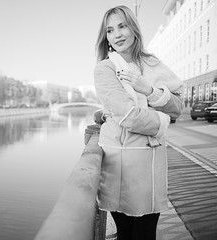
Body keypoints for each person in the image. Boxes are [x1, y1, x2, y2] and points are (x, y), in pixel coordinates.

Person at [94, 5, 184, 240]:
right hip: (122, 165)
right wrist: (164, 120)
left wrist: (149, 90)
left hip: (152, 166)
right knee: (127, 234)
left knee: (146, 234)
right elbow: (129, 116)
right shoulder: (105, 68)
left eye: (122, 26)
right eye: (110, 30)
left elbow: (179, 108)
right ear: (106, 38)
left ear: (133, 28)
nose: (117, 34)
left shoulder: (153, 64)